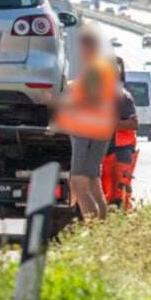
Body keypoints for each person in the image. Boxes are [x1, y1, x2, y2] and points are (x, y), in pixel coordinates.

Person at [54, 26, 117, 221]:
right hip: (101, 131)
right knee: (92, 181)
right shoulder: (105, 69)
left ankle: (92, 228)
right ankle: (102, 227)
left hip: (85, 130)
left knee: (78, 182)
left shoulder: (92, 69)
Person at [104, 57, 138, 211]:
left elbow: (134, 123)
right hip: (103, 151)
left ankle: (123, 223)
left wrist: (110, 124)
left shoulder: (123, 97)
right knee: (104, 192)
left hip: (121, 151)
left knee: (121, 192)